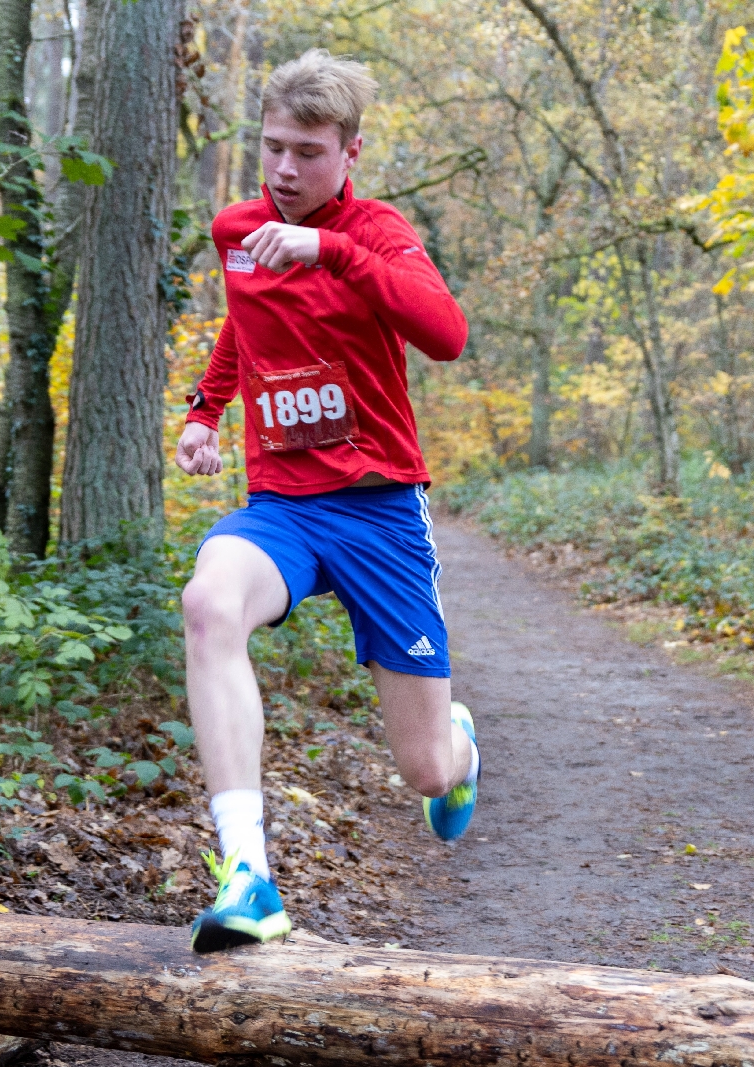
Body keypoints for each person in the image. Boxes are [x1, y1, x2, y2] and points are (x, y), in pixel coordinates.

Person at [175, 48, 480, 954]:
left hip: (380, 507)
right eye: (272, 148)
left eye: (307, 152)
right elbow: (248, 318)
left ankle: (458, 745)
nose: (283, 171)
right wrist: (206, 408)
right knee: (207, 601)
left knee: (425, 769)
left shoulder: (378, 233)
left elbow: (447, 335)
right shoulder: (237, 230)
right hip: (283, 506)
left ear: (349, 151)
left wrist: (333, 250)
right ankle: (247, 874)